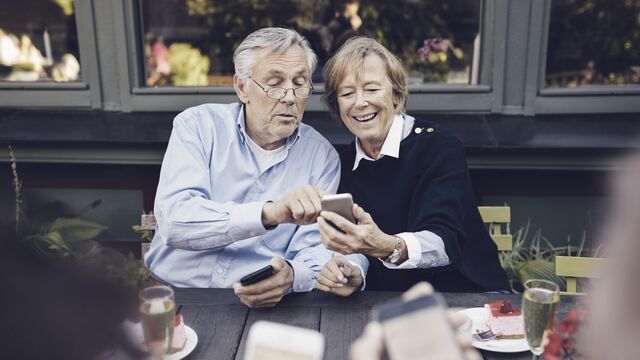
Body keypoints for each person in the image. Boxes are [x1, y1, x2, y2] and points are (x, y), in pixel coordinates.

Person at [144, 28, 367, 308]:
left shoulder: (321, 156)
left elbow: (317, 247)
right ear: (242, 87)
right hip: (175, 293)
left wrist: (292, 276)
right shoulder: (198, 126)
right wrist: (270, 213)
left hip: (258, 303)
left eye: (299, 83)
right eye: (274, 83)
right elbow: (175, 220)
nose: (289, 97)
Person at [315, 37, 508, 294]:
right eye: (347, 93)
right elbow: (354, 243)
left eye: (372, 89)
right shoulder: (343, 161)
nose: (359, 102)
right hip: (387, 303)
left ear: (396, 95)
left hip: (465, 294)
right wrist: (352, 271)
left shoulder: (439, 146)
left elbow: (444, 242)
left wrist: (386, 245)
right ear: (337, 106)